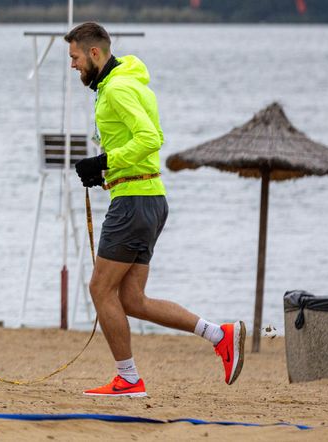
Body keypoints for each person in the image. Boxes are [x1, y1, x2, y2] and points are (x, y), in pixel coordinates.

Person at [65, 22, 245, 397]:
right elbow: (139, 143)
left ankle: (128, 379)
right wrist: (106, 173)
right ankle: (219, 334)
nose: (73, 65)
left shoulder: (116, 88)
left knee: (100, 289)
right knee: (131, 300)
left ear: (94, 53)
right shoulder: (124, 82)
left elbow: (150, 137)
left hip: (135, 202)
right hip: (144, 196)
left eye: (75, 57)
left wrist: (104, 161)